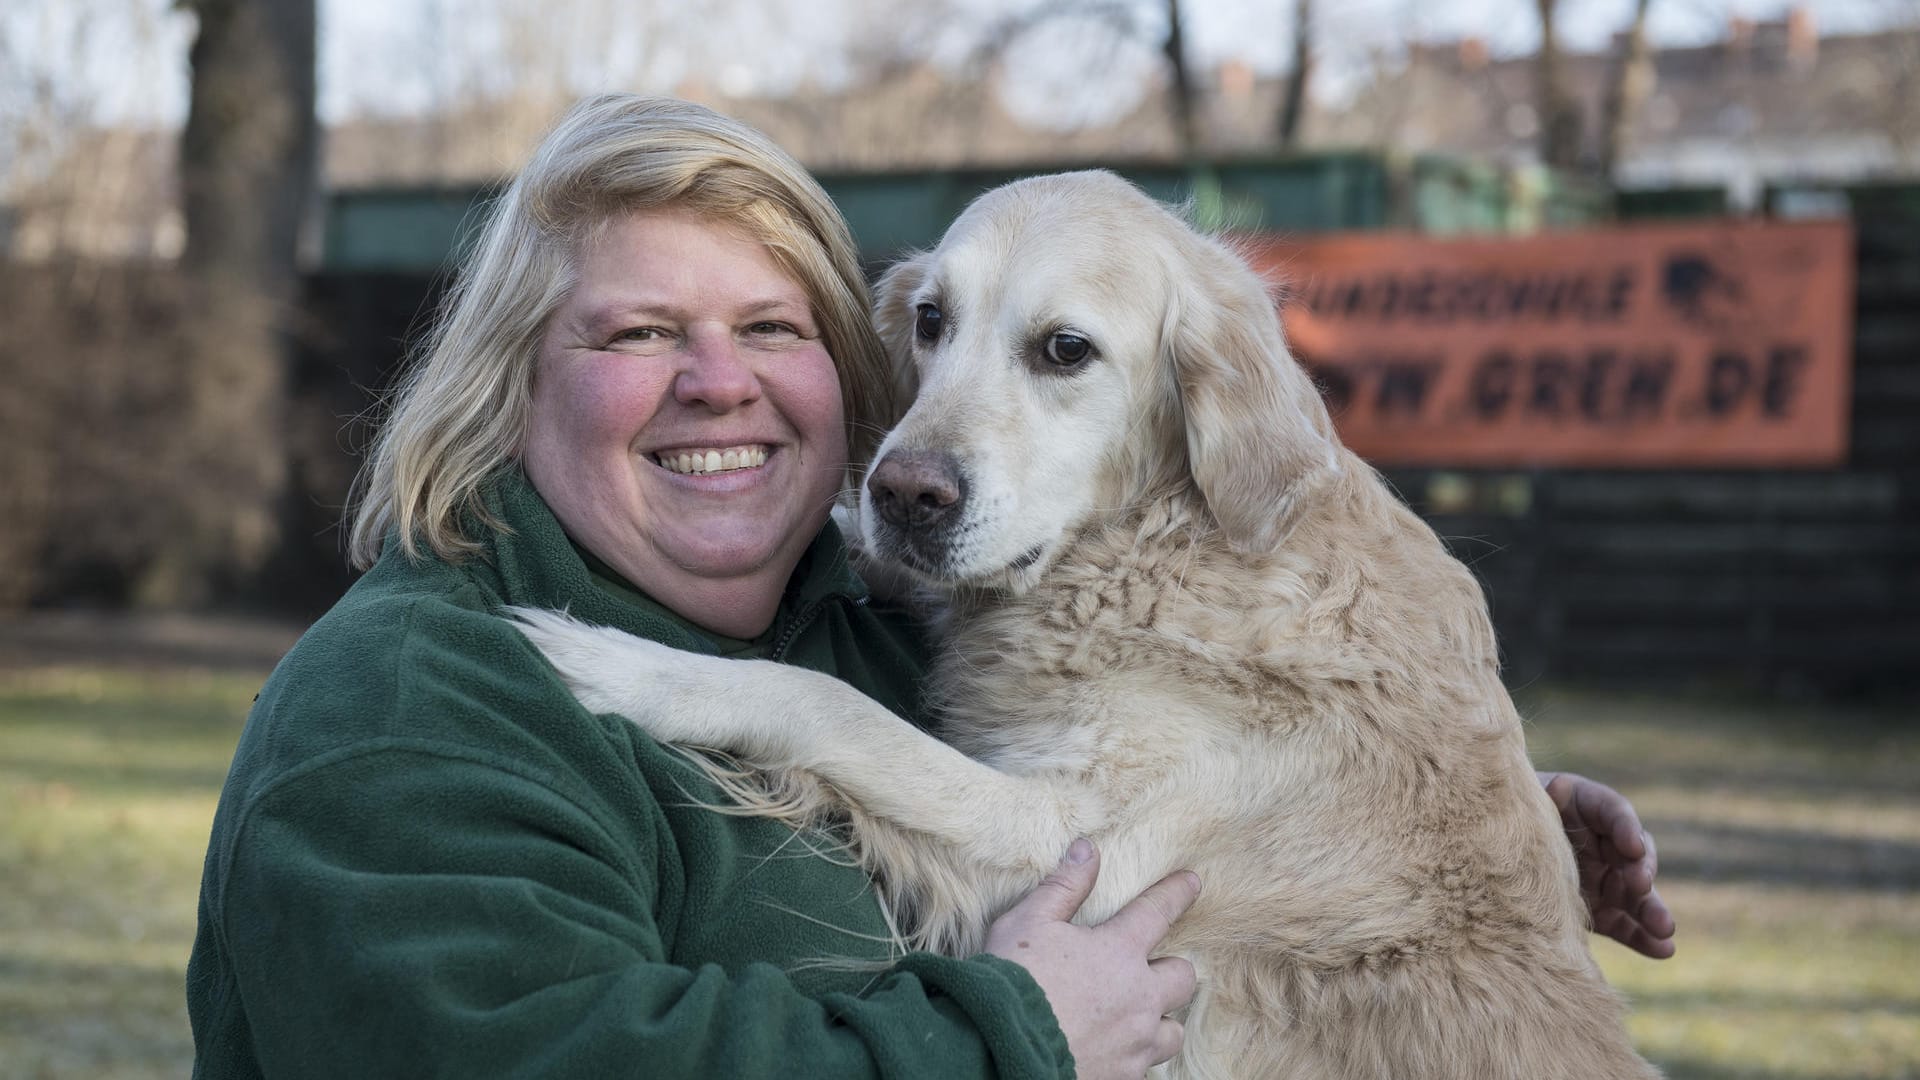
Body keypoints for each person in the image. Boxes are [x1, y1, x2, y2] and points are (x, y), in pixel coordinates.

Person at [186, 93, 1671, 1080]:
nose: (720, 383)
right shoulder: (408, 711)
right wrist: (1007, 1040)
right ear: (509, 386)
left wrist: (1449, 832)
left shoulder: (867, 624)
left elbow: (1156, 814)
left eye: (771, 326)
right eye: (638, 335)